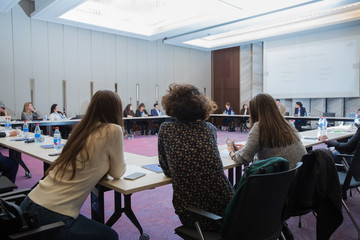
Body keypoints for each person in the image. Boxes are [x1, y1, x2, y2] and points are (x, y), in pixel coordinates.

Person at [20, 90, 126, 240]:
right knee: (110, 236)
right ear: (116, 109)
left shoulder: (83, 130)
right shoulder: (113, 129)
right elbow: (117, 173)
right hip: (52, 215)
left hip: (29, 203)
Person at [158, 83, 234, 231]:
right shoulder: (209, 129)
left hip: (193, 211)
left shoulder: (166, 130)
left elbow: (167, 170)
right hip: (227, 207)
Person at [228, 93, 306, 169]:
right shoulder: (286, 124)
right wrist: (247, 148)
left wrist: (232, 153)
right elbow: (274, 150)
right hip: (299, 176)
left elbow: (244, 158)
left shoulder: (259, 127)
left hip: (280, 179)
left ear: (255, 111)